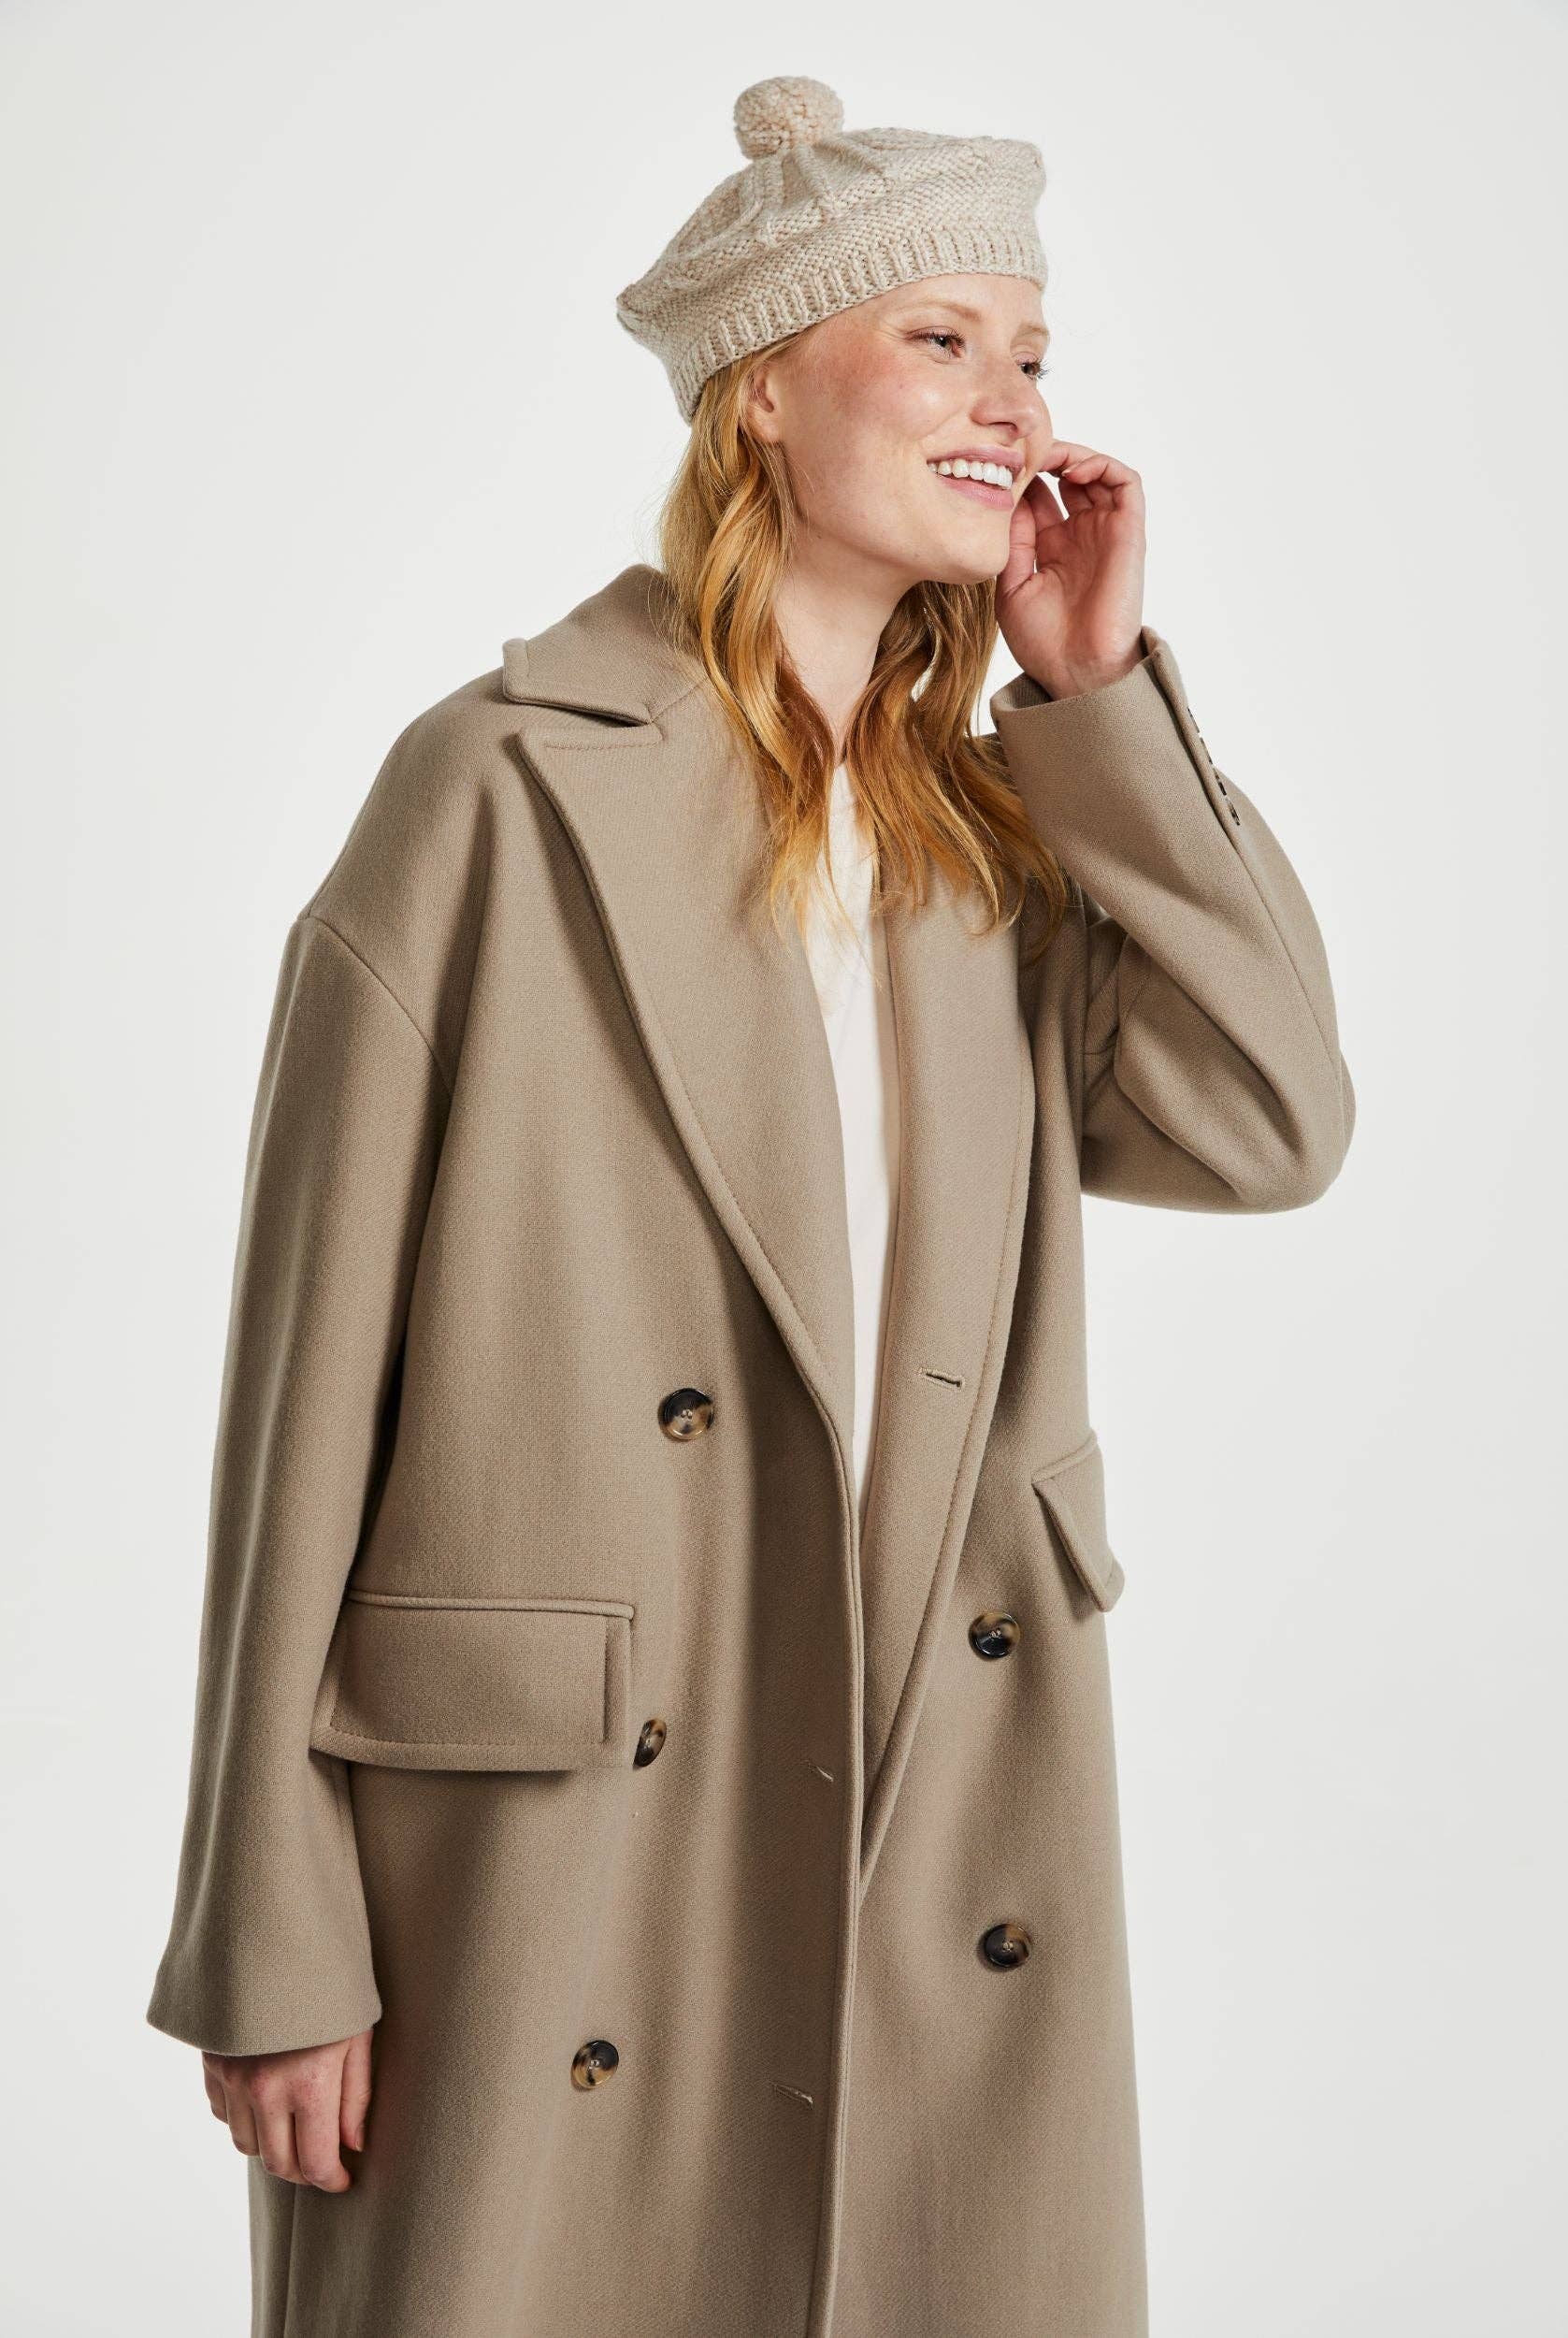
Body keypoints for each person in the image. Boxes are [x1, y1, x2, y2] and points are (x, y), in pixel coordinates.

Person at [145, 72, 1354, 2338]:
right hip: (554, 1829)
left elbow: (1266, 1117)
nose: (1012, 402)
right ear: (762, 392)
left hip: (929, 1773)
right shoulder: (498, 789)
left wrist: (1094, 696)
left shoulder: (995, 844)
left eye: (1031, 350)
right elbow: (302, 1394)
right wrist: (266, 1919)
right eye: (939, 339)